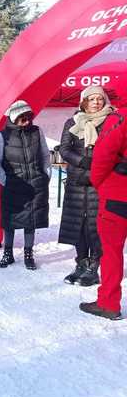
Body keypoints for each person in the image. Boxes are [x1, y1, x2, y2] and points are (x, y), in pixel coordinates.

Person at [59, 86, 114, 286]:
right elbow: (64, 150)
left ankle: (94, 266)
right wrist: (83, 162)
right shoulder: (72, 122)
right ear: (84, 101)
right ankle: (80, 263)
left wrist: (98, 166)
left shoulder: (111, 121)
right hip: (76, 181)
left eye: (100, 99)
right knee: (77, 224)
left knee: (95, 225)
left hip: (100, 182)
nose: (96, 102)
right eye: (92, 99)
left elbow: (115, 150)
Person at [0, 100, 51, 270]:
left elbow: (45, 155)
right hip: (13, 185)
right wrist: (6, 181)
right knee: (10, 220)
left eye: (28, 118)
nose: (27, 121)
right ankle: (8, 253)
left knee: (31, 220)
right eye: (22, 118)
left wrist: (46, 175)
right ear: (13, 118)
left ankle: (28, 253)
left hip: (35, 184)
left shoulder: (37, 132)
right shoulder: (2, 136)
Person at [80, 107, 127, 320]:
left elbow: (103, 153)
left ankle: (108, 303)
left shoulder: (120, 117)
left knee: (111, 252)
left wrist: (99, 182)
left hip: (118, 193)